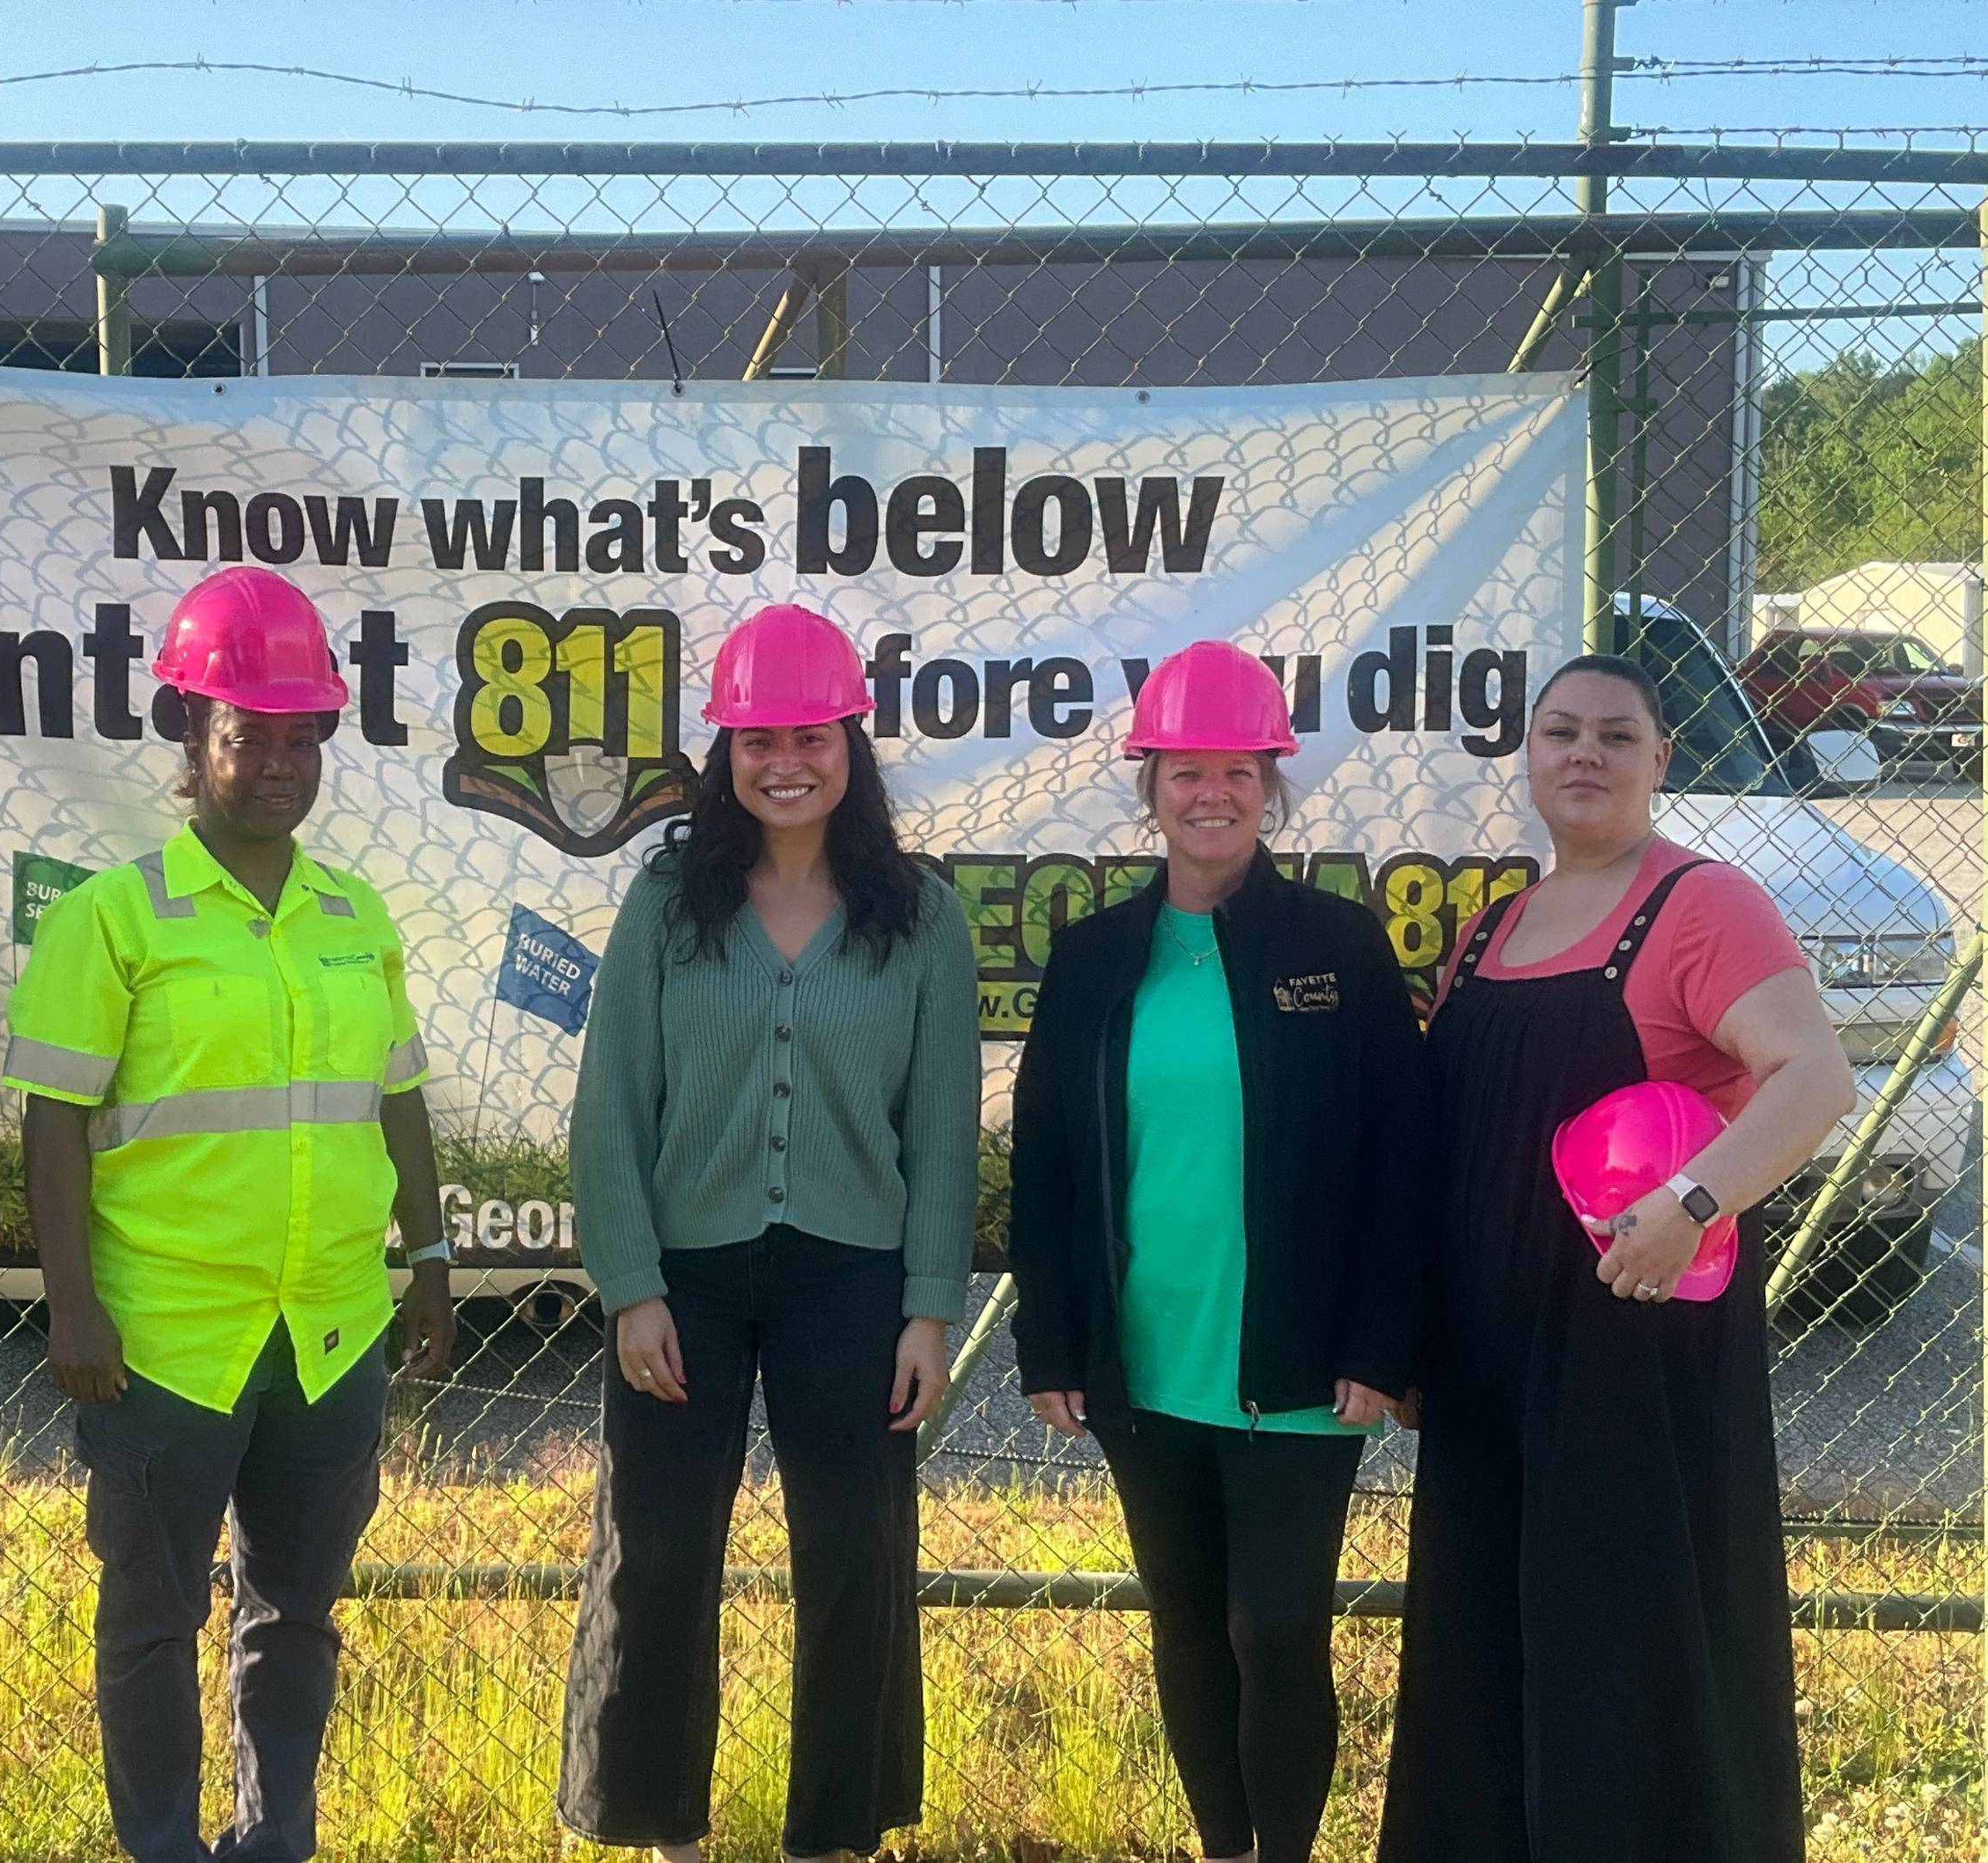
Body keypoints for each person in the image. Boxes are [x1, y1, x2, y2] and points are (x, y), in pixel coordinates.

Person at [3, 565, 456, 1863]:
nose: (278, 761)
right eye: (248, 732)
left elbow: (399, 1098)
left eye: (302, 734)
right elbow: (52, 1121)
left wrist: (425, 1259)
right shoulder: (113, 919)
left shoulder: (349, 916)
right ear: (191, 739)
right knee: (152, 1617)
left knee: (298, 1610)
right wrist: (71, 1304)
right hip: (162, 1339)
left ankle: (276, 1841)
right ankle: (160, 1847)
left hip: (326, 1332)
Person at [1378, 654, 1854, 1863]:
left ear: (1660, 761)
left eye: (1614, 734)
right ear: (1527, 757)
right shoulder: (1487, 931)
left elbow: (1811, 1077)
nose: (1582, 753)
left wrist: (1692, 1202)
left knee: (1619, 1639)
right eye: (1558, 732)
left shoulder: (1702, 904)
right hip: (1487, 1371)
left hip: (1629, 1353)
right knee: (1487, 1638)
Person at [558, 602, 981, 1863]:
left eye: (809, 735)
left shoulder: (920, 918)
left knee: (853, 1563)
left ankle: (830, 1837)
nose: (784, 761)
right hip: (684, 1279)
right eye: (756, 739)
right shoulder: (667, 902)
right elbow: (607, 1111)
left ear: (851, 742)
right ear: (724, 753)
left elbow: (947, 1136)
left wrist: (928, 1312)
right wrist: (631, 1286)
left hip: (851, 1283)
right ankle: (656, 1831)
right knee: (659, 1555)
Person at [1006, 638, 1430, 1863]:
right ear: (1150, 786)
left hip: (1302, 1361)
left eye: (1237, 770)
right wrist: (1051, 1343)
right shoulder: (1094, 960)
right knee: (1187, 1624)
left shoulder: (1337, 948)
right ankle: (1224, 1850)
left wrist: (1379, 1338)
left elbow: (1400, 1164)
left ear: (1270, 785)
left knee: (1278, 1626)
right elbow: (1043, 1166)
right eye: (1186, 770)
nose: (1212, 794)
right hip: (1145, 1359)